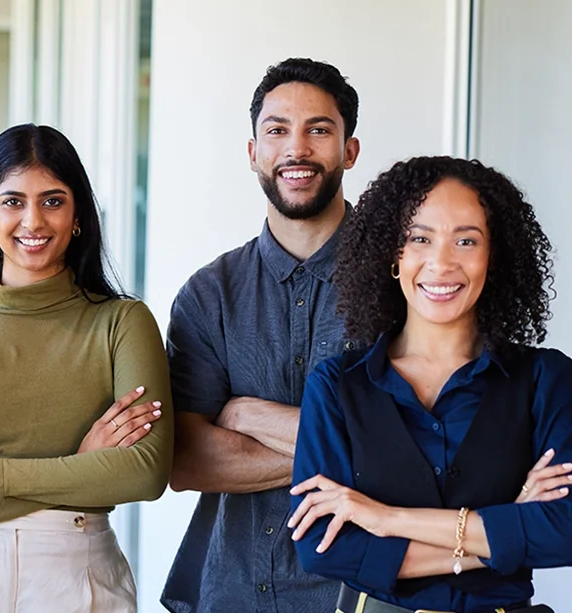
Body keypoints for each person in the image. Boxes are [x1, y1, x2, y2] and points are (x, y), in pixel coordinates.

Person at [0, 123, 173, 613]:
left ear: (78, 213)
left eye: (53, 201)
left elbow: (144, 475)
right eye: (13, 201)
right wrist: (81, 471)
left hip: (78, 579)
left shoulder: (123, 323)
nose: (33, 221)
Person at [289, 156, 572, 613]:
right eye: (419, 238)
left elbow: (564, 530)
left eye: (466, 240)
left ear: (493, 258)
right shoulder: (338, 385)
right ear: (393, 256)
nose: (441, 263)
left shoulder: (546, 379)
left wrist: (386, 518)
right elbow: (323, 546)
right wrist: (506, 529)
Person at [162, 57, 363, 613]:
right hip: (231, 591)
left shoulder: (399, 284)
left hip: (356, 597)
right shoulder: (208, 296)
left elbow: (416, 451)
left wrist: (246, 416)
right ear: (253, 153)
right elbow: (184, 460)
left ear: (349, 150)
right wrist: (353, 450)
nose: (295, 149)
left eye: (318, 130)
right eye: (276, 130)